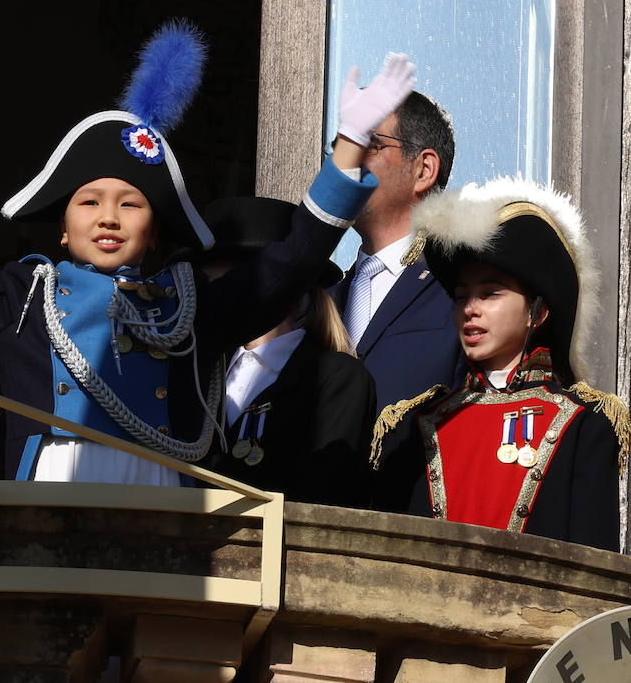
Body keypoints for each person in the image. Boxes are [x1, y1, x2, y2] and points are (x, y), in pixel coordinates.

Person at [0, 22, 414, 483]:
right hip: (45, 502)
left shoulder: (189, 308)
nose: (109, 217)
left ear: (155, 231)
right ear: (63, 230)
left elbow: (294, 259)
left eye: (131, 204)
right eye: (90, 201)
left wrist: (347, 144)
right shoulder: (20, 297)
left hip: (162, 511)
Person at [370, 178, 627, 549]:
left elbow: (592, 572)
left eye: (490, 293)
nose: (470, 309)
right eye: (462, 296)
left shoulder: (585, 423)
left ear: (537, 314)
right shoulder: (413, 424)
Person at [198, 197, 377, 506]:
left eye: (229, 285)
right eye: (208, 285)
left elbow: (325, 494)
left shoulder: (338, 378)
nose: (216, 299)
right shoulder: (200, 369)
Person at [330, 92, 465, 410]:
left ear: (423, 169)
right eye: (339, 148)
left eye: (367, 144)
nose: (344, 161)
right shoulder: (319, 304)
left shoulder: (461, 290)